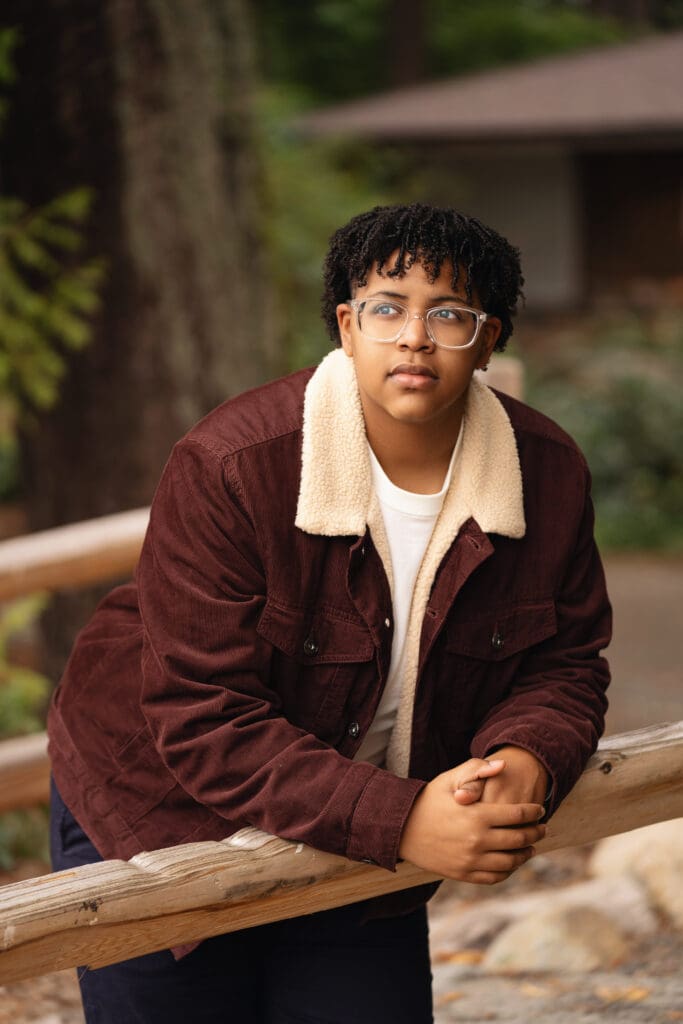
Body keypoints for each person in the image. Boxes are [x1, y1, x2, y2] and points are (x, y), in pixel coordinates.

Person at [48, 202, 611, 1023]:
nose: (414, 337)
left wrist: (527, 754)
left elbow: (564, 663)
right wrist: (404, 816)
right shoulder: (231, 465)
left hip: (360, 820)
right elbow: (200, 714)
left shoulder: (547, 472)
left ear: (488, 341)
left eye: (448, 314)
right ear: (348, 328)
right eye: (387, 309)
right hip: (162, 801)